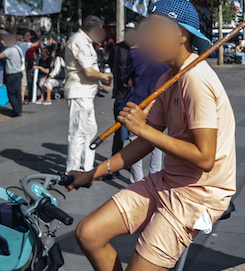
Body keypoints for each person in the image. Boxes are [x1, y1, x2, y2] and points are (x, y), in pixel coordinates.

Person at [66, 0, 236, 271]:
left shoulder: (195, 79)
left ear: (182, 35)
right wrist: (93, 173)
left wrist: (142, 128)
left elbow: (205, 157)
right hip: (168, 181)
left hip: (196, 196)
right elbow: (145, 142)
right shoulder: (169, 77)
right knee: (89, 233)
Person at [64, 16, 113, 173]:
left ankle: (87, 167)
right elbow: (88, 71)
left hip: (85, 93)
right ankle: (72, 170)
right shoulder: (79, 40)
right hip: (79, 93)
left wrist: (101, 78)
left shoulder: (85, 41)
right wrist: (104, 76)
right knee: (78, 132)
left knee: (90, 130)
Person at [119, 38, 169, 183]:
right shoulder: (165, 55)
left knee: (135, 141)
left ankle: (136, 180)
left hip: (137, 101)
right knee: (157, 142)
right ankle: (155, 177)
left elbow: (126, 76)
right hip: (157, 102)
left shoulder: (135, 53)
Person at [109, 22, 137, 159]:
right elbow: (112, 66)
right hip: (121, 96)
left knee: (135, 133)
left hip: (137, 97)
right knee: (118, 130)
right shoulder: (117, 48)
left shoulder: (143, 50)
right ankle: (114, 165)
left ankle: (132, 161)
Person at [0, 33, 24, 117]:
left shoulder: (10, 50)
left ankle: (16, 111)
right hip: (18, 73)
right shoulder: (18, 48)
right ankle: (19, 110)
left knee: (11, 94)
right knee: (18, 93)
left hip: (12, 74)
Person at [17, 31, 44, 104]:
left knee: (19, 82)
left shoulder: (15, 44)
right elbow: (35, 45)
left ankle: (19, 98)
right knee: (23, 82)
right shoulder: (24, 44)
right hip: (23, 65)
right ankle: (22, 98)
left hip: (19, 65)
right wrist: (41, 38)